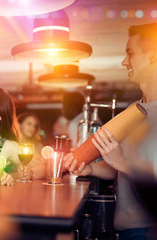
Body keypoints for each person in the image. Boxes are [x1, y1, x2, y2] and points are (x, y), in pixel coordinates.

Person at [64, 23, 157, 240]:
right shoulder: (136, 110)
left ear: (153, 56)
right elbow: (118, 168)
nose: (124, 61)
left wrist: (123, 162)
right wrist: (92, 169)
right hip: (127, 229)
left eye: (130, 53)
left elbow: (128, 166)